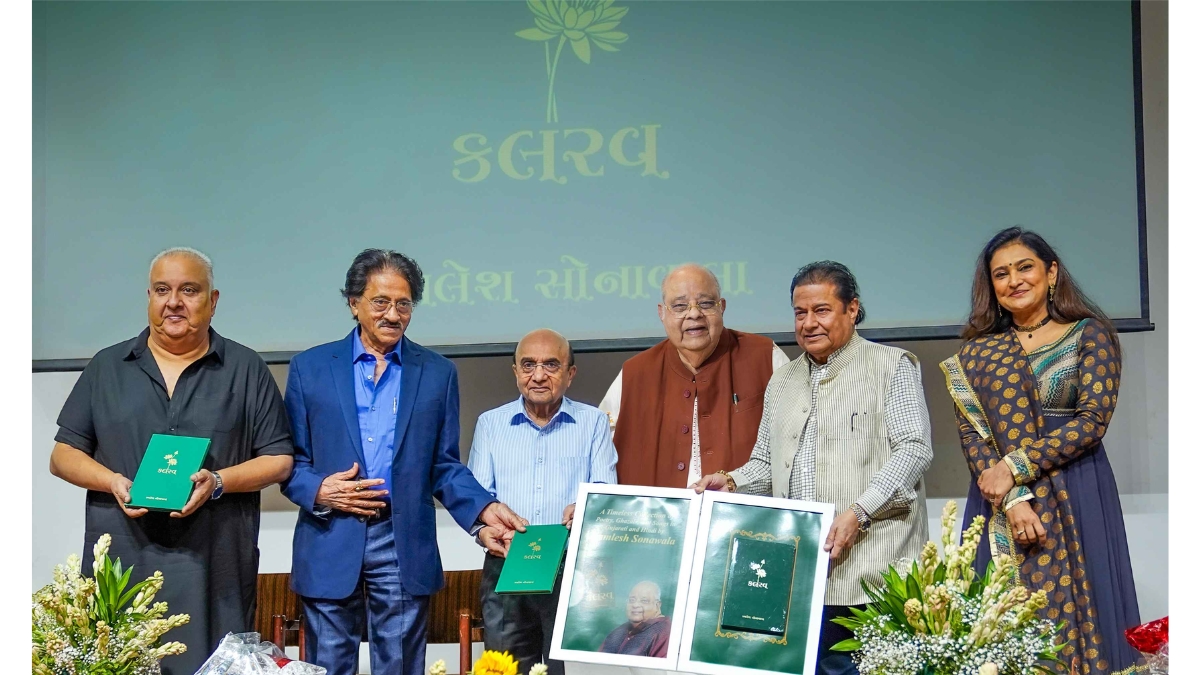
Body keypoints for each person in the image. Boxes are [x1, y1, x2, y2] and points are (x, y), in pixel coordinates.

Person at [281, 249, 528, 675]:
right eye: (380, 302)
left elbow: (444, 465)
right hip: (330, 534)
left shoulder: (437, 373)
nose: (393, 315)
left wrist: (484, 509)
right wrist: (320, 490)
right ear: (353, 303)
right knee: (329, 666)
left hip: (401, 539)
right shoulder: (310, 368)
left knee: (399, 665)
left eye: (404, 304)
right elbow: (290, 461)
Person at [49, 247, 295, 675]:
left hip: (215, 567)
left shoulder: (246, 368)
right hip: (122, 565)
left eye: (189, 290)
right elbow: (62, 455)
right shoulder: (108, 366)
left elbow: (278, 460)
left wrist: (218, 481)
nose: (174, 302)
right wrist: (111, 481)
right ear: (149, 297)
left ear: (213, 300)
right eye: (162, 290)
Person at [694, 261, 933, 675]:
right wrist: (731, 481)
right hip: (801, 579)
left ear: (852, 309)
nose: (808, 324)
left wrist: (859, 512)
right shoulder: (782, 381)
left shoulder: (892, 365)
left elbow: (914, 449)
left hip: (874, 573)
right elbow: (766, 464)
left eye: (821, 310)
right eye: (800, 313)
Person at [939, 227, 1143, 675]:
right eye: (1001, 274)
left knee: (1084, 617)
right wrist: (1012, 496)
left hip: (1076, 487)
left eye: (1024, 267)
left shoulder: (1088, 335)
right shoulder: (977, 354)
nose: (1014, 280)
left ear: (1051, 273)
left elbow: (1092, 421)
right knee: (1000, 626)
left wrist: (1016, 465)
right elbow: (974, 436)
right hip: (998, 500)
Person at [469, 328, 618, 675]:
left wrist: (588, 507)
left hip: (571, 568)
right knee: (506, 668)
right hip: (507, 564)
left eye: (551, 365)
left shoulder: (593, 422)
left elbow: (604, 492)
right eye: (528, 365)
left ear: (570, 373)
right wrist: (482, 531)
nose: (538, 376)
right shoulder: (490, 424)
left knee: (565, 668)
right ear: (515, 372)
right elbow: (477, 498)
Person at [599, 263, 790, 488]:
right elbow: (601, 450)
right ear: (662, 313)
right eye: (680, 306)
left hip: (741, 507)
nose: (694, 314)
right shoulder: (635, 373)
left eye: (706, 303)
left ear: (722, 307)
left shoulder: (765, 357)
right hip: (660, 509)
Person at [598, 581, 671, 658]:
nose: (635, 605)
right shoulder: (618, 632)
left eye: (644, 601)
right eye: (632, 600)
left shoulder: (665, 633)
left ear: (657, 605)